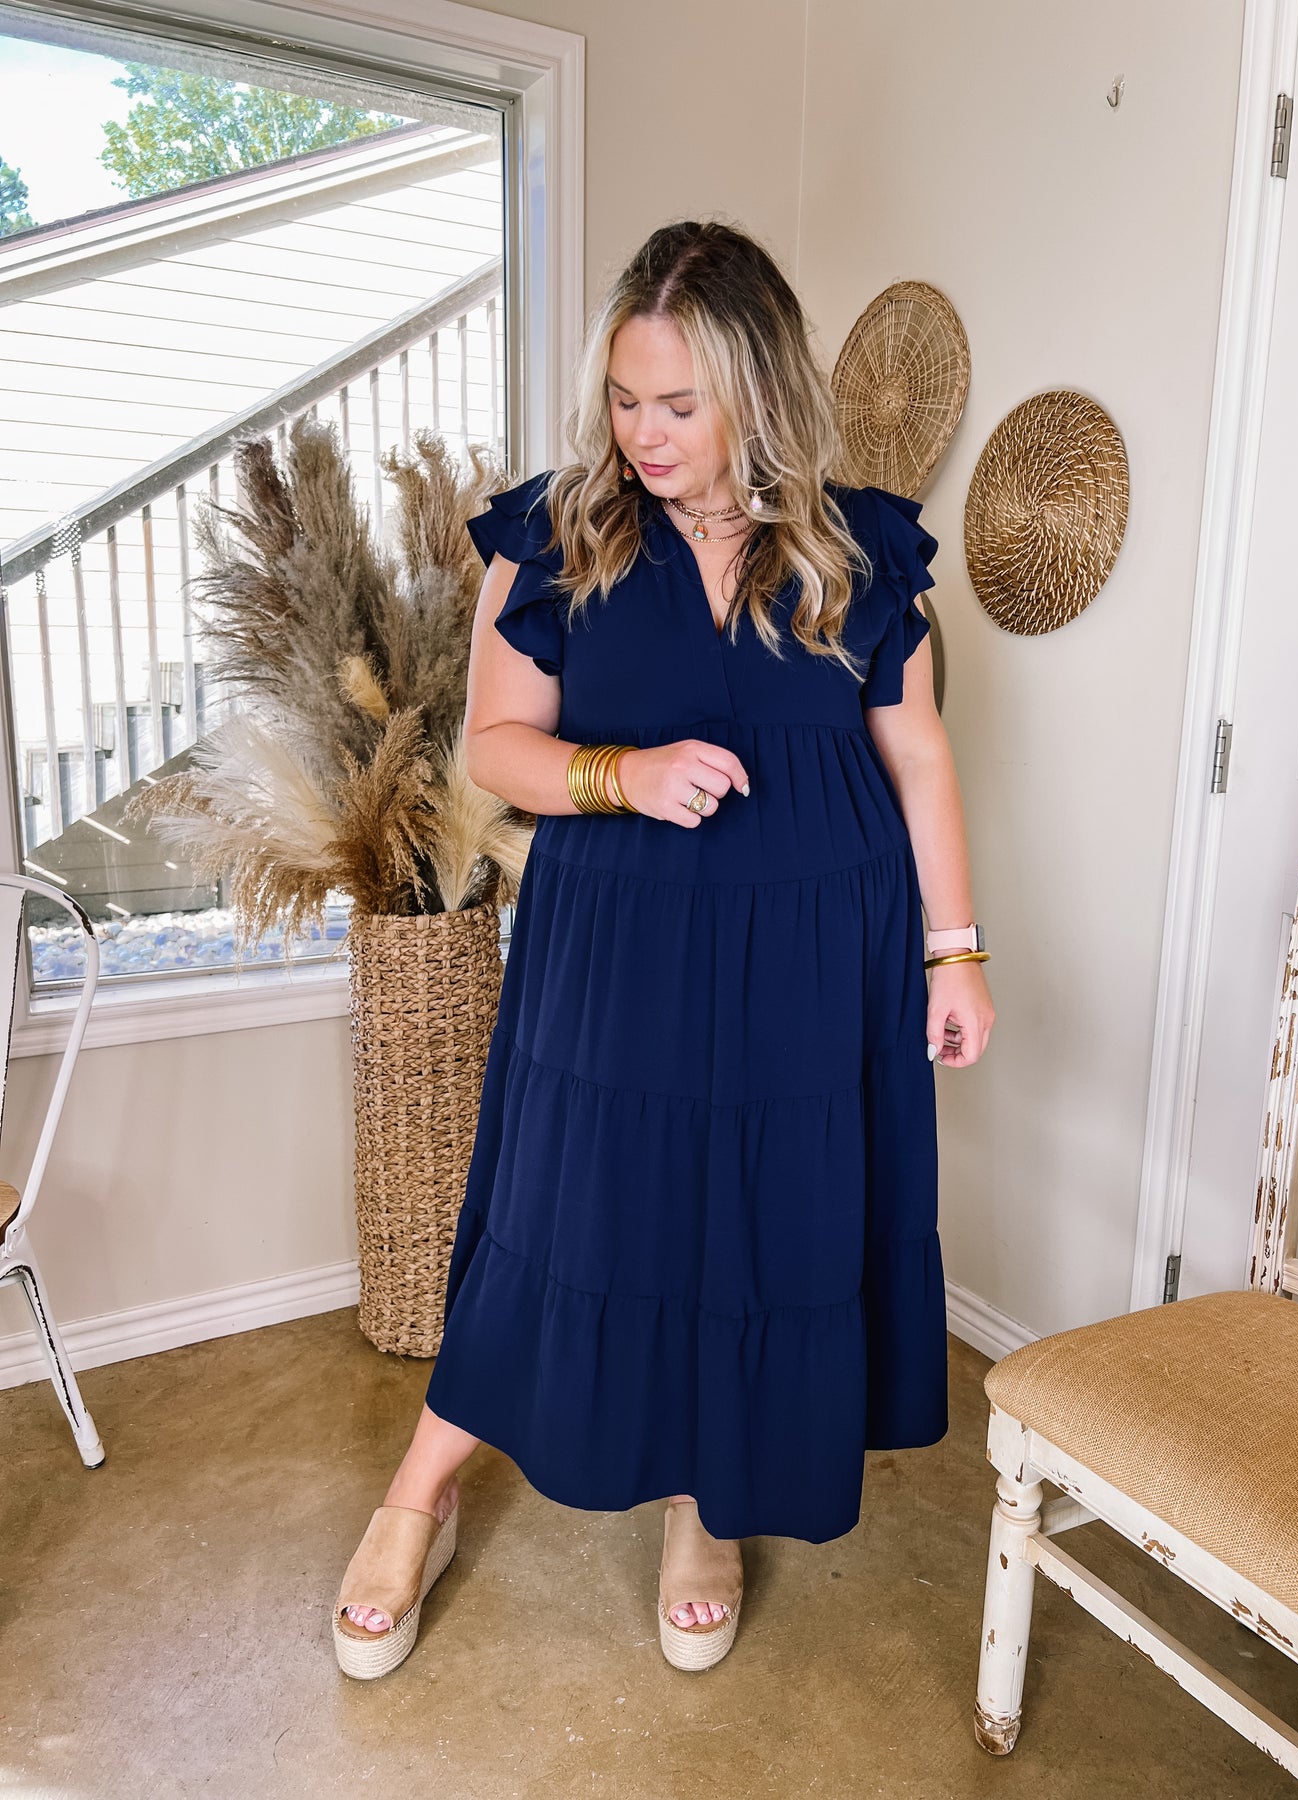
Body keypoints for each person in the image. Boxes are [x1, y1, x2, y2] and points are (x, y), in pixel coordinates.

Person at [331, 218, 995, 1680]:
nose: (643, 433)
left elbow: (918, 755)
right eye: (626, 400)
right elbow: (492, 745)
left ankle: (707, 1506)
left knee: (753, 1226)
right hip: (617, 951)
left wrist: (954, 953)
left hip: (816, 959)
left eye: (679, 404)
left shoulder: (858, 546)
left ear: (757, 390)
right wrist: (618, 774)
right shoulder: (558, 532)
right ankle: (417, 1494)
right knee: (562, 1215)